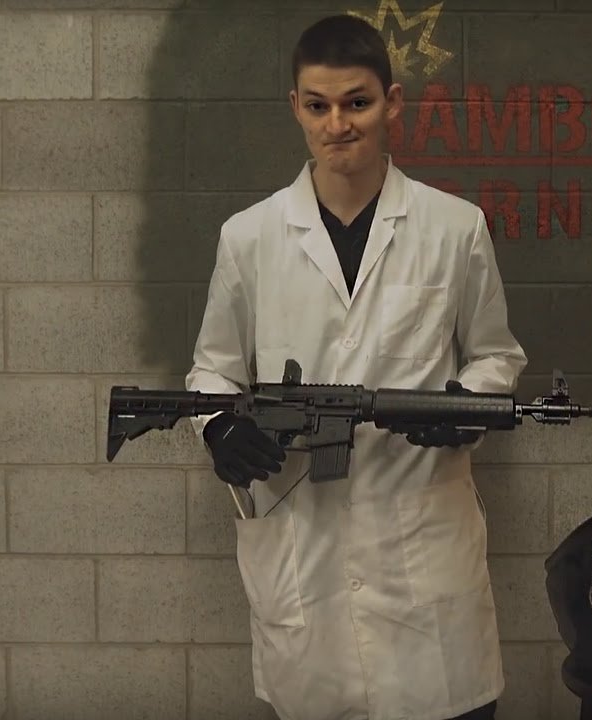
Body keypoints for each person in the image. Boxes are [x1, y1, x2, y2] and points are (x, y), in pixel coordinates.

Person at [185, 13, 528, 720]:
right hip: (303, 552)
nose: (337, 124)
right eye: (318, 106)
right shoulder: (249, 238)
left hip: (423, 560)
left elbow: (496, 354)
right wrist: (219, 427)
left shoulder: (454, 227)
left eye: (357, 103)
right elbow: (213, 370)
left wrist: (465, 407)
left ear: (392, 103)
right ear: (296, 107)